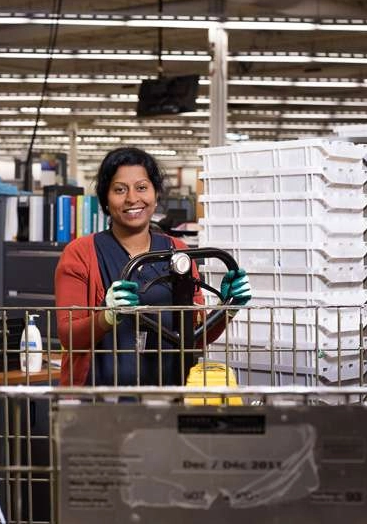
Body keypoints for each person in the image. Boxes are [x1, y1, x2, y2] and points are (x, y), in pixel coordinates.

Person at [54, 147, 251, 386]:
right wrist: (106, 316)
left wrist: (226, 308)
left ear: (156, 194)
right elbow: (68, 337)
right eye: (119, 190)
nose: (132, 198)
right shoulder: (80, 254)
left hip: (169, 394)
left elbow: (194, 339)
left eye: (141, 187)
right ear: (105, 199)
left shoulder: (178, 252)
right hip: (98, 401)